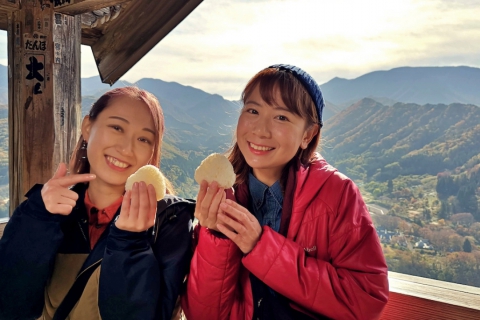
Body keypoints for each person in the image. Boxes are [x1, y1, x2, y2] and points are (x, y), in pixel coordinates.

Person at [182, 64, 389, 320]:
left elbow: (366, 300)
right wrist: (215, 238)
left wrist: (261, 247)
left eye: (281, 117)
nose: (260, 129)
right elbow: (202, 314)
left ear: (308, 135)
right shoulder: (224, 195)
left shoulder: (338, 194)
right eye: (253, 110)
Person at [0, 87, 195, 320]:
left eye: (143, 138)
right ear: (87, 127)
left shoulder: (169, 220)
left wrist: (130, 243)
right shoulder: (47, 211)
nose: (126, 148)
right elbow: (11, 306)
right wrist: (37, 217)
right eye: (117, 127)